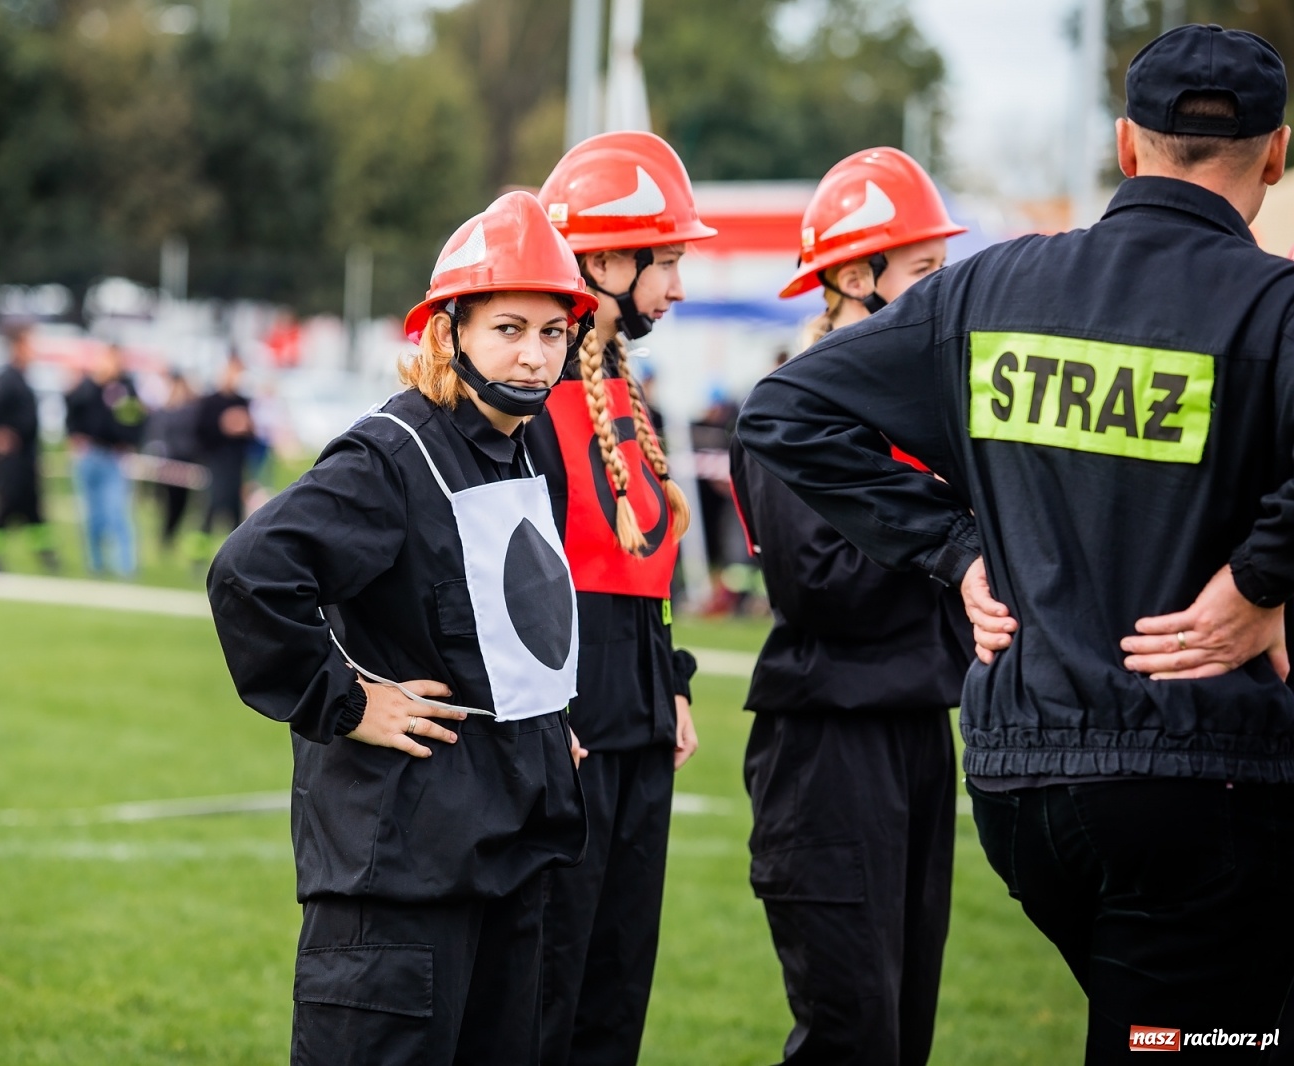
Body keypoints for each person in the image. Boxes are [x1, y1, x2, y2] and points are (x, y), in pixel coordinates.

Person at [737, 25, 1294, 1064]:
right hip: (1196, 778)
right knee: (1200, 1038)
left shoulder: (991, 291)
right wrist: (1261, 580)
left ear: (1126, 146)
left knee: (1159, 1027)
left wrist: (951, 549)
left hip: (1021, 783)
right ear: (1276, 154)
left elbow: (782, 412)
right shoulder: (1272, 306)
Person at [207, 191, 593, 1066]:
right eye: (508, 328)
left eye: (552, 332)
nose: (534, 356)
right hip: (397, 879)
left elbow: (514, 612)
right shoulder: (391, 455)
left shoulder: (531, 446)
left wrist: (545, 728)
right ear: (449, 330)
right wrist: (347, 702)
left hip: (509, 853)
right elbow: (249, 572)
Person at [727, 147, 970, 1066]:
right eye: (923, 274)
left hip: (912, 729)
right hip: (828, 743)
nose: (939, 297)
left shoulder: (916, 403)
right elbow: (820, 585)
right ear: (855, 275)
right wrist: (951, 535)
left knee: (907, 1029)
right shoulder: (798, 404)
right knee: (853, 1038)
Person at [528, 130, 714, 1066]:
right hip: (568, 722)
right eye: (667, 260)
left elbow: (647, 565)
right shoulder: (528, 389)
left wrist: (672, 679)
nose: (675, 286)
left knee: (617, 985)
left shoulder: (618, 383)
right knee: (549, 986)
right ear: (604, 258)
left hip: (636, 714)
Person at [0, 322, 58, 572]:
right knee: (6, 506)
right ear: (17, 346)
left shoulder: (22, 378)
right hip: (12, 460)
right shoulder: (7, 379)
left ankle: (47, 556)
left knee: (33, 509)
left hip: (27, 457)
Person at [64, 343, 147, 578]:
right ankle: (96, 564)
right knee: (92, 515)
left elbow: (135, 420)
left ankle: (126, 566)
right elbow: (73, 409)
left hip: (113, 456)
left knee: (117, 511)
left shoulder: (127, 388)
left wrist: (129, 441)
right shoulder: (88, 386)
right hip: (89, 454)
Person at [190, 354, 255, 566]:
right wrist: (224, 425)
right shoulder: (211, 402)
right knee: (212, 507)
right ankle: (199, 556)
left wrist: (246, 427)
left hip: (236, 464)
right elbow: (200, 433)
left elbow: (252, 437)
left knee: (235, 512)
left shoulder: (243, 401)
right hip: (215, 463)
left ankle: (235, 558)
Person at [143, 368, 199, 555]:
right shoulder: (164, 411)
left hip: (185, 462)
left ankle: (169, 536)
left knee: (180, 503)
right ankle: (165, 536)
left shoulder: (192, 410)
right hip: (167, 463)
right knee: (167, 501)